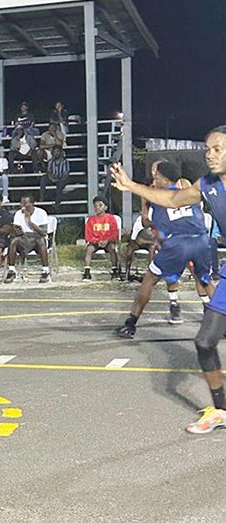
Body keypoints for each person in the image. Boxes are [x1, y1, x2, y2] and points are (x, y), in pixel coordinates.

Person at [110, 125, 226, 434]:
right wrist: (132, 186)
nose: (209, 153)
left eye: (217, 149)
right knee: (204, 341)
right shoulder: (208, 184)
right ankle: (221, 410)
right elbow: (173, 200)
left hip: (186, 245)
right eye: (208, 148)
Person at [113, 161, 213, 337]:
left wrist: (146, 205)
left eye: (157, 176)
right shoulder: (187, 190)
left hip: (177, 243)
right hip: (200, 240)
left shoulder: (157, 195)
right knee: (206, 281)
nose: (154, 178)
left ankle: (130, 324)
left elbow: (146, 221)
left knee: (149, 280)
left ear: (165, 179)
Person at [4, 195, 51, 283]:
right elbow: (16, 231)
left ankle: (45, 270)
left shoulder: (41, 213)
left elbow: (43, 232)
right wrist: (16, 230)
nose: (23, 206)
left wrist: (29, 222)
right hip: (23, 239)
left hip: (37, 240)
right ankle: (11, 270)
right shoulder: (18, 213)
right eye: (21, 203)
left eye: (26, 203)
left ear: (33, 203)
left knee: (40, 240)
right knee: (13, 240)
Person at [83, 197, 120, 280]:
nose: (97, 208)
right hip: (96, 242)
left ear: (105, 207)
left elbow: (115, 233)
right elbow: (88, 236)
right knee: (89, 249)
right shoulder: (91, 220)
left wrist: (107, 240)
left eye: (100, 205)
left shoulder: (111, 218)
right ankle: (87, 272)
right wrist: (97, 241)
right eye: (95, 206)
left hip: (108, 241)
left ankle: (115, 270)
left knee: (112, 248)